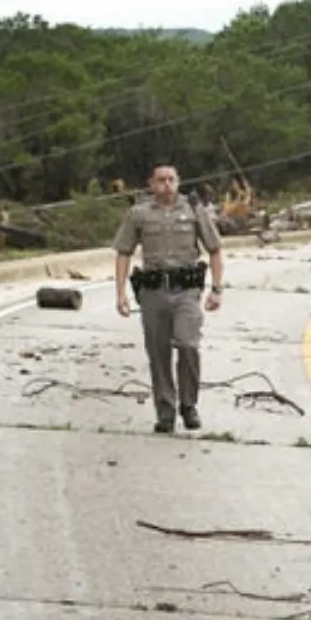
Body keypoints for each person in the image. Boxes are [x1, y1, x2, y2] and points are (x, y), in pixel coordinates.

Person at [113, 164, 224, 434]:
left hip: (186, 290)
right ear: (151, 184)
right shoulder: (139, 213)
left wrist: (217, 289)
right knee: (158, 352)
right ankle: (165, 411)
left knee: (188, 344)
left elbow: (215, 249)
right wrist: (120, 294)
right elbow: (123, 252)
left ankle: (188, 405)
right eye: (160, 180)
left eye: (171, 179)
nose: (166, 184)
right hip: (153, 291)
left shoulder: (194, 211)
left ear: (179, 181)